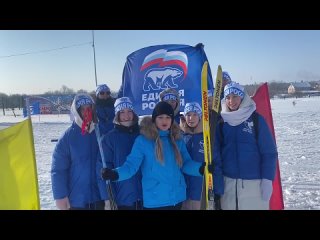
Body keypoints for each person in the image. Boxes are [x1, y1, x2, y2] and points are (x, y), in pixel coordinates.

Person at [100, 101, 212, 210]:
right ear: (154, 119)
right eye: (160, 117)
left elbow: (186, 163)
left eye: (168, 117)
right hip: (155, 201)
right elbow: (130, 166)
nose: (164, 121)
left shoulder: (177, 140)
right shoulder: (143, 141)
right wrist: (115, 174)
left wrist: (201, 168)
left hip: (177, 198)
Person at [213, 81, 278, 210]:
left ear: (242, 97)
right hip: (229, 185)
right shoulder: (221, 123)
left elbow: (269, 152)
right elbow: (217, 156)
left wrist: (267, 179)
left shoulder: (256, 120)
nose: (231, 101)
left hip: (254, 184)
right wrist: (219, 184)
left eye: (235, 96)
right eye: (228, 97)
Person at [51, 93, 103, 210]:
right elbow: (58, 170)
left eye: (89, 108)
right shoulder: (68, 137)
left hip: (100, 200)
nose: (86, 112)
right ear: (76, 111)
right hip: (77, 202)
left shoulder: (101, 133)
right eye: (82, 109)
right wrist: (60, 196)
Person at [97, 97, 142, 210]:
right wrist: (108, 198)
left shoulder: (143, 133)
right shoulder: (109, 139)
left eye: (129, 111)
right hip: (123, 199)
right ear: (117, 115)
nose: (126, 116)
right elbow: (103, 171)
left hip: (146, 197)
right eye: (122, 112)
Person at [179, 102, 205, 210]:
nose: (191, 118)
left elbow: (216, 161)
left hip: (201, 190)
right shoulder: (179, 136)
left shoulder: (207, 135)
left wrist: (217, 188)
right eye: (188, 115)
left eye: (195, 114)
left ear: (200, 116)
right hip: (183, 190)